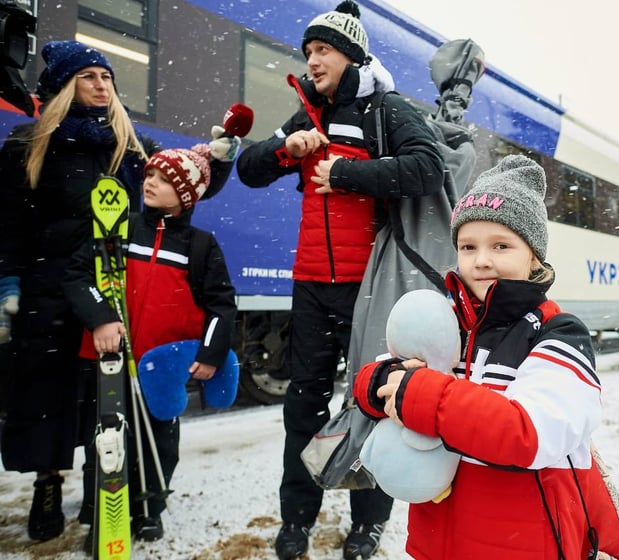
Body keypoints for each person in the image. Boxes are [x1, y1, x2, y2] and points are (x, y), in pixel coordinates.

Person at [0, 39, 239, 542]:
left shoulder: (128, 144)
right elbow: (10, 224)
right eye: (88, 77)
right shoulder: (29, 144)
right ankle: (48, 483)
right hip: (49, 284)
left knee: (107, 402)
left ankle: (110, 495)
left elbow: (182, 179)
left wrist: (216, 161)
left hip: (113, 286)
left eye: (106, 76)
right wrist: (9, 281)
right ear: (64, 87)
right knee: (47, 392)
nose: (101, 85)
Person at [235, 1, 444, 557]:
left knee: (373, 402)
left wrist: (347, 173)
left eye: (323, 50)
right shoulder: (308, 113)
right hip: (310, 286)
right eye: (308, 51)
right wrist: (284, 147)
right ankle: (296, 520)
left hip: (371, 288)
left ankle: (367, 524)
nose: (312, 60)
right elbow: (248, 171)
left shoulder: (386, 109)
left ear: (350, 56)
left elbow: (427, 168)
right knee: (302, 406)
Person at [354, 155, 619, 560]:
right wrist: (379, 382)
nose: (481, 259)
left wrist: (419, 396)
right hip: (439, 541)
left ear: (533, 256)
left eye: (501, 245)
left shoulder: (557, 333)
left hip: (521, 543)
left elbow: (531, 434)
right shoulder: (446, 322)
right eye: (468, 247)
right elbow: (381, 375)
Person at [64, 144, 237, 547]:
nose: (150, 183)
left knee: (160, 440)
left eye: (163, 179)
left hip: (161, 367)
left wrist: (210, 354)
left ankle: (148, 509)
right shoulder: (119, 228)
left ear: (186, 194)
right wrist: (100, 317)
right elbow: (78, 275)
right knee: (106, 440)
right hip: (111, 360)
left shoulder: (199, 245)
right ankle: (102, 513)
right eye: (149, 175)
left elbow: (221, 305)